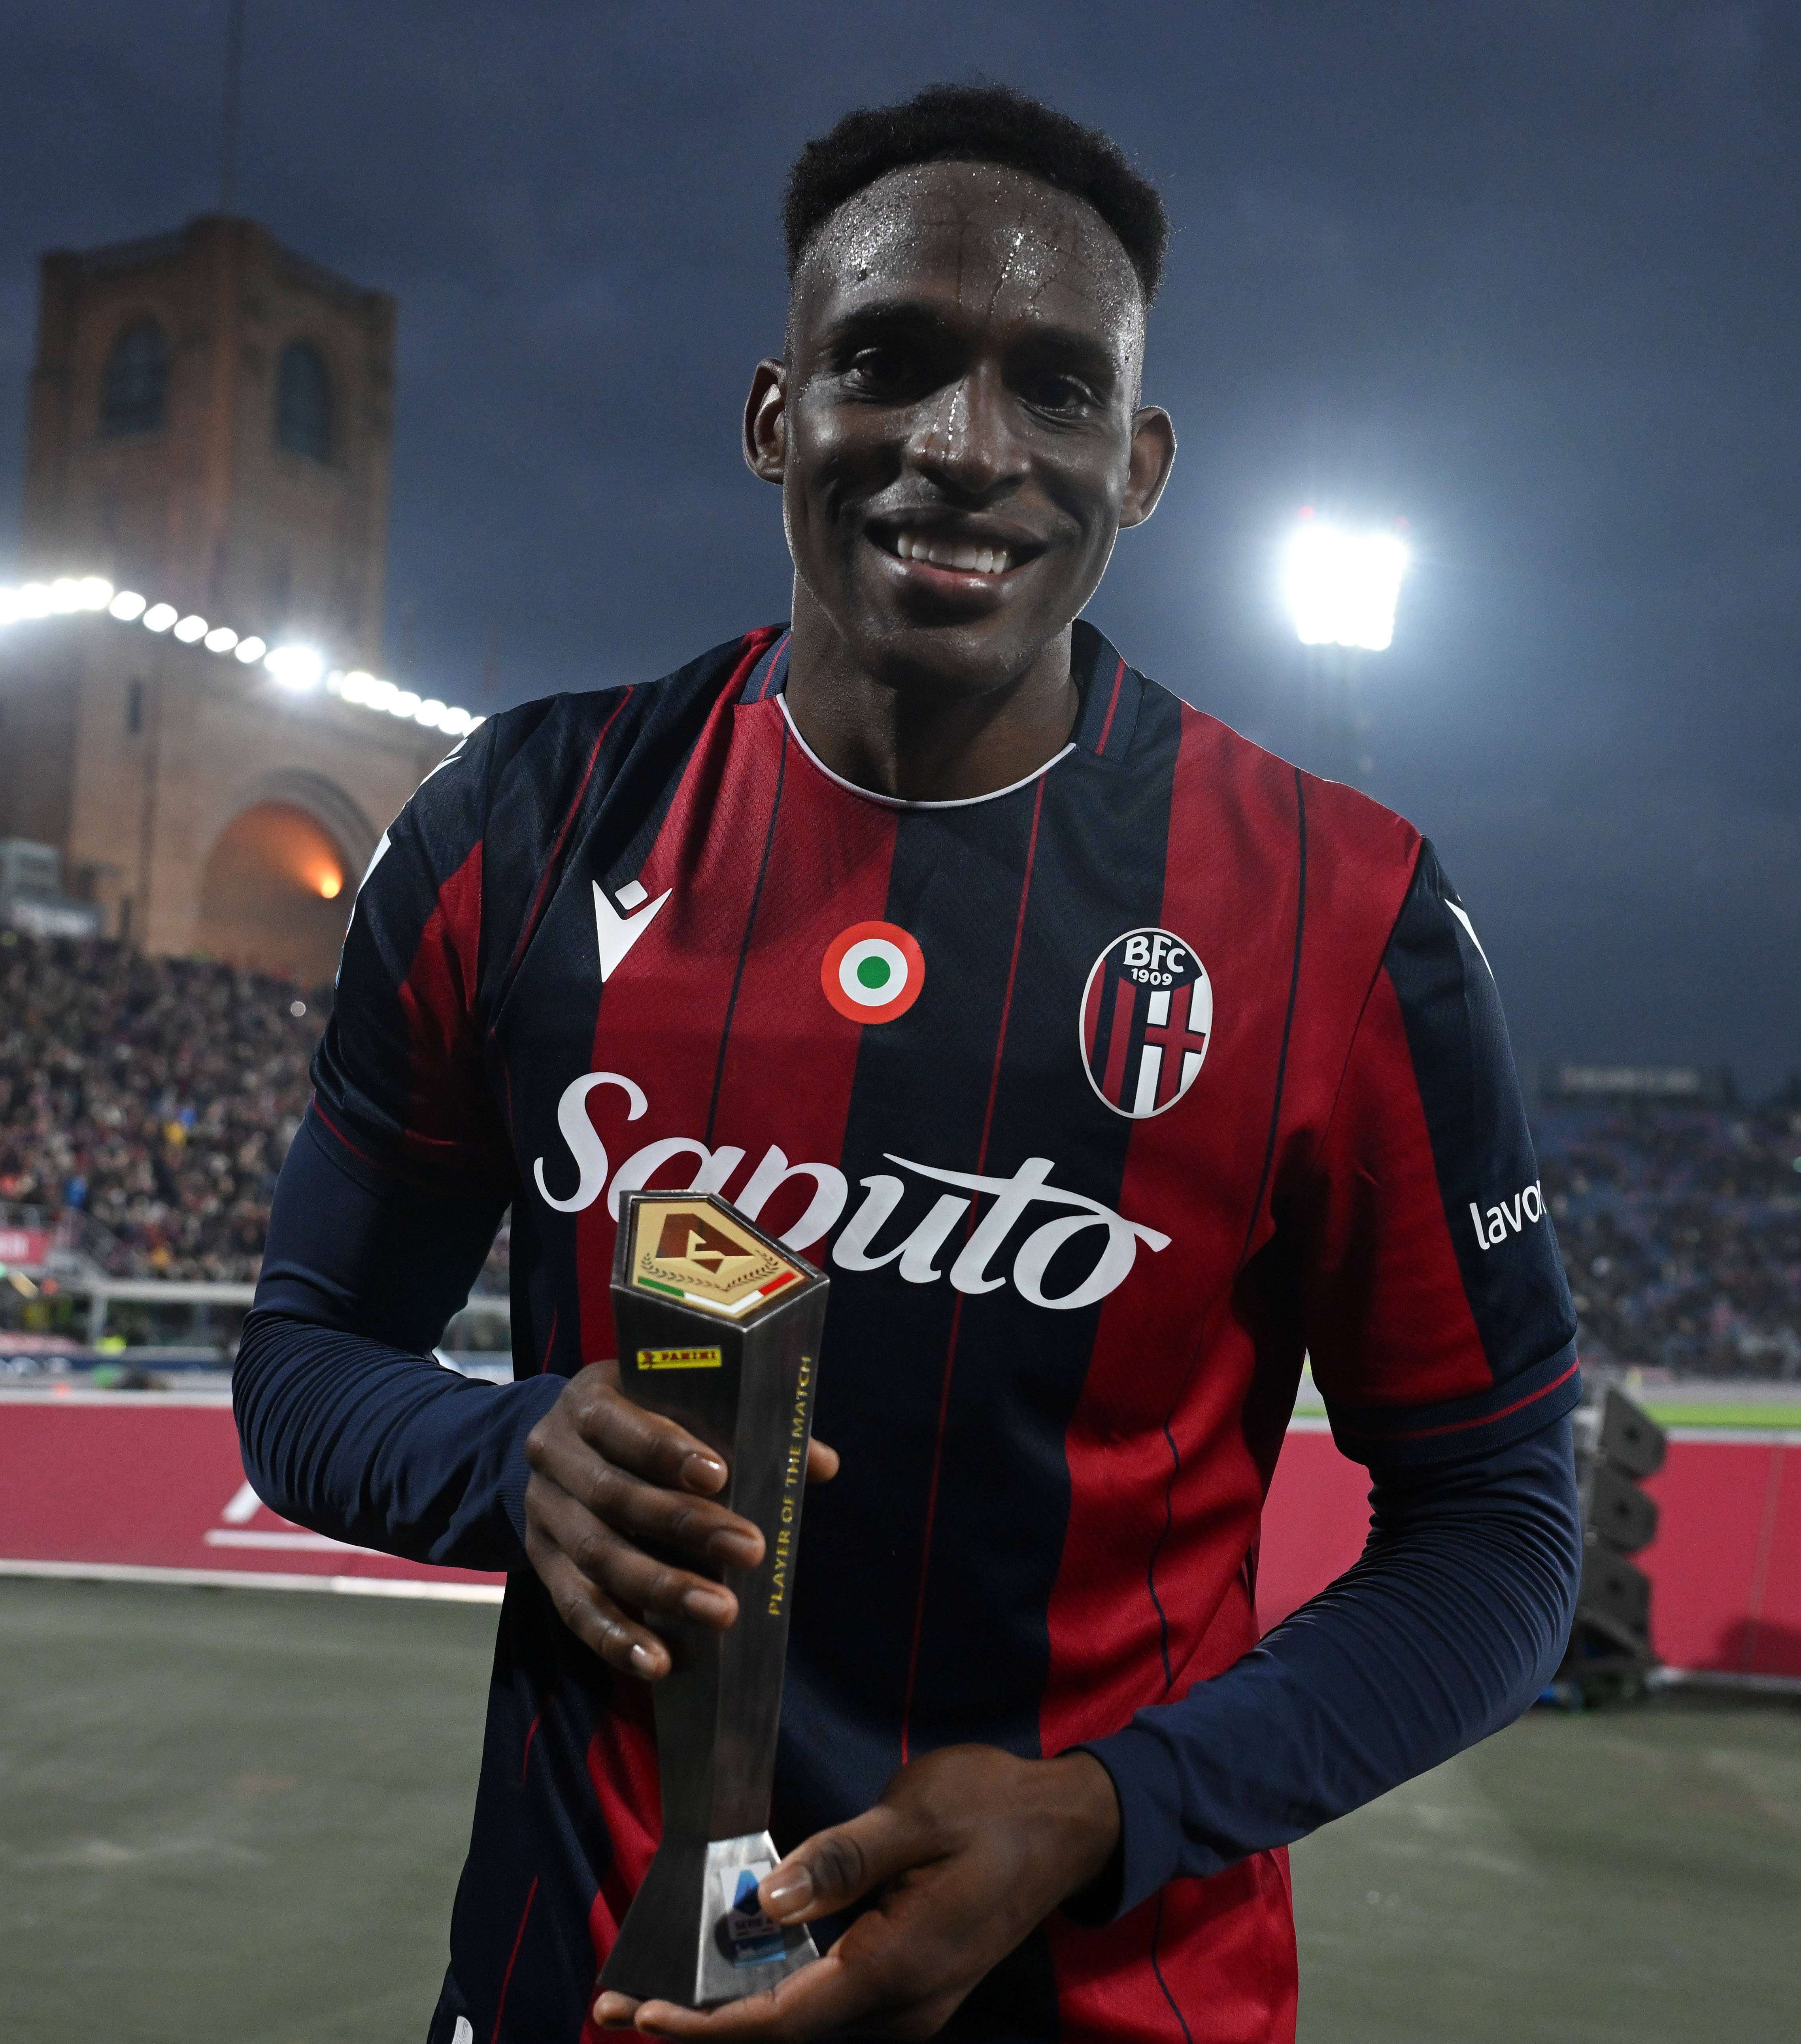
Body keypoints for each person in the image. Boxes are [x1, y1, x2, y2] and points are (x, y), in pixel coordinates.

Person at [235, 83, 1582, 2044]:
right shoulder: (511, 829)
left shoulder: (1343, 918)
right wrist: (499, 1455)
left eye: (1055, 389)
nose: (964, 445)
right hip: (565, 1984)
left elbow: (1501, 1534)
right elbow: (298, 1361)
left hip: (1104, 1994)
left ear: (1138, 465)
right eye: (887, 362)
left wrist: (1108, 1809)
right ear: (773, 413)